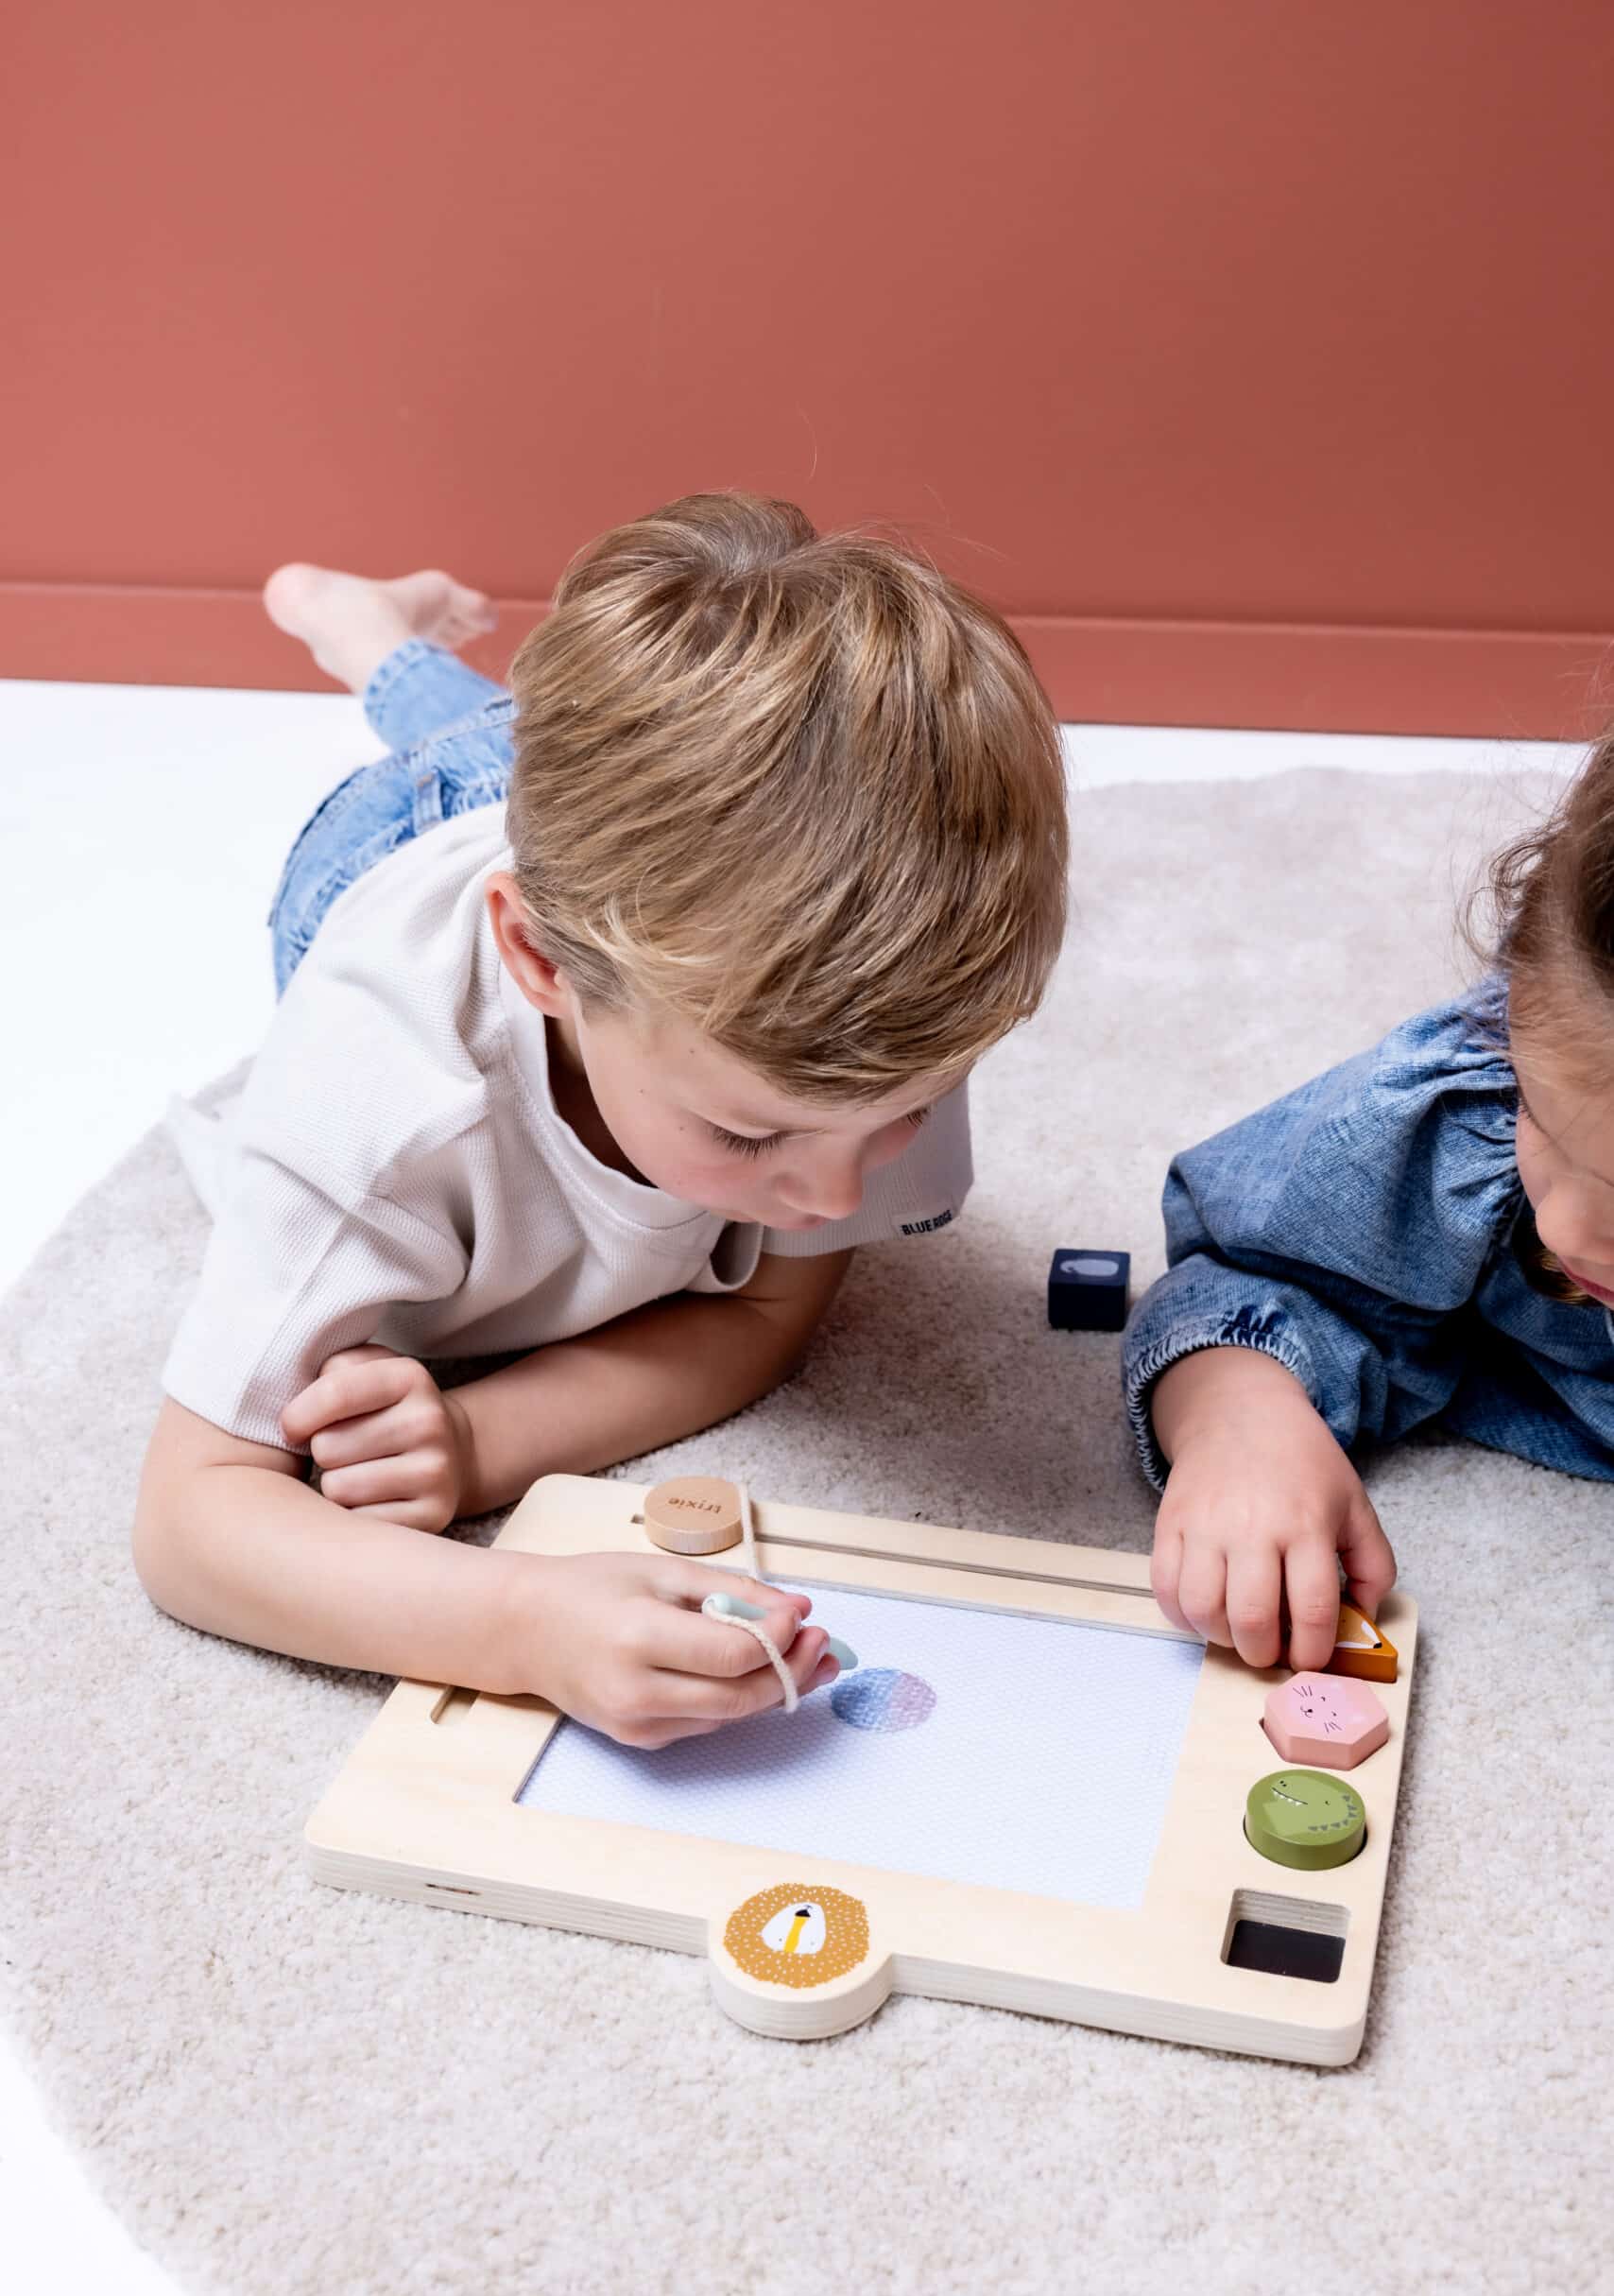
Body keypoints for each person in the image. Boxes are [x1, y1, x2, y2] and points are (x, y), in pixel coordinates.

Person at [134, 493, 1069, 1744]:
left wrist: (474, 1436)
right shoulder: (385, 1092)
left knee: (507, 732)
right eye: (748, 1137)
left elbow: (764, 1315)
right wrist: (519, 1621)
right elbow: (191, 1522)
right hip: (387, 849)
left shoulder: (875, 1007)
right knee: (463, 751)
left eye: (897, 1120)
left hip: (579, 852)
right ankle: (352, 626)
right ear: (537, 961)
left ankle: (380, 633)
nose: (838, 1202)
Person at [1125, 738, 1614, 1670]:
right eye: (1543, 1120)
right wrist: (1237, 1411)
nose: (1567, 1231)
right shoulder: (1465, 1110)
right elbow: (1248, 1277)